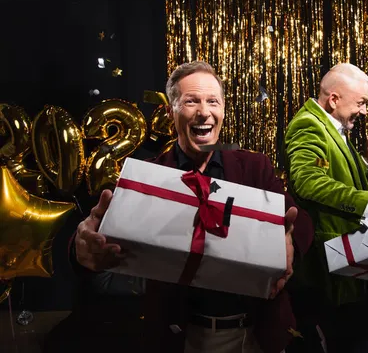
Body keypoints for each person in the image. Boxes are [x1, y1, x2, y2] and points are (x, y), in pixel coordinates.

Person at [70, 61, 313, 353]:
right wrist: (80, 248)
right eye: (191, 101)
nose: (204, 111)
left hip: (256, 333)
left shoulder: (253, 166)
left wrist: (289, 240)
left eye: (213, 101)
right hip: (181, 337)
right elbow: (95, 233)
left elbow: (301, 222)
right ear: (172, 111)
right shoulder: (148, 176)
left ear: (222, 110)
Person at [283, 63, 368, 353]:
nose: (365, 110)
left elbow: (337, 175)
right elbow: (308, 181)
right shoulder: (307, 125)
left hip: (346, 267)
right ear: (334, 99)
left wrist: (365, 160)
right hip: (326, 270)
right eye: (361, 103)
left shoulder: (331, 125)